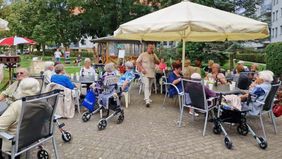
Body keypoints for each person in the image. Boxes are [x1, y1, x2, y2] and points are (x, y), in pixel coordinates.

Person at [0, 78, 40, 153]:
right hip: (33, 137)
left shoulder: (18, 105)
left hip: (15, 141)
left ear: (20, 88)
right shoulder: (42, 102)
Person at [136, 43, 160, 107]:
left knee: (149, 87)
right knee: (146, 86)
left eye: (152, 48)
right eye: (150, 48)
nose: (151, 49)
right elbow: (137, 62)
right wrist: (141, 69)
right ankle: (147, 101)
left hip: (152, 73)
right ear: (147, 48)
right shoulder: (143, 54)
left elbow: (158, 62)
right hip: (145, 73)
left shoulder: (154, 55)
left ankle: (147, 97)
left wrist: (155, 57)